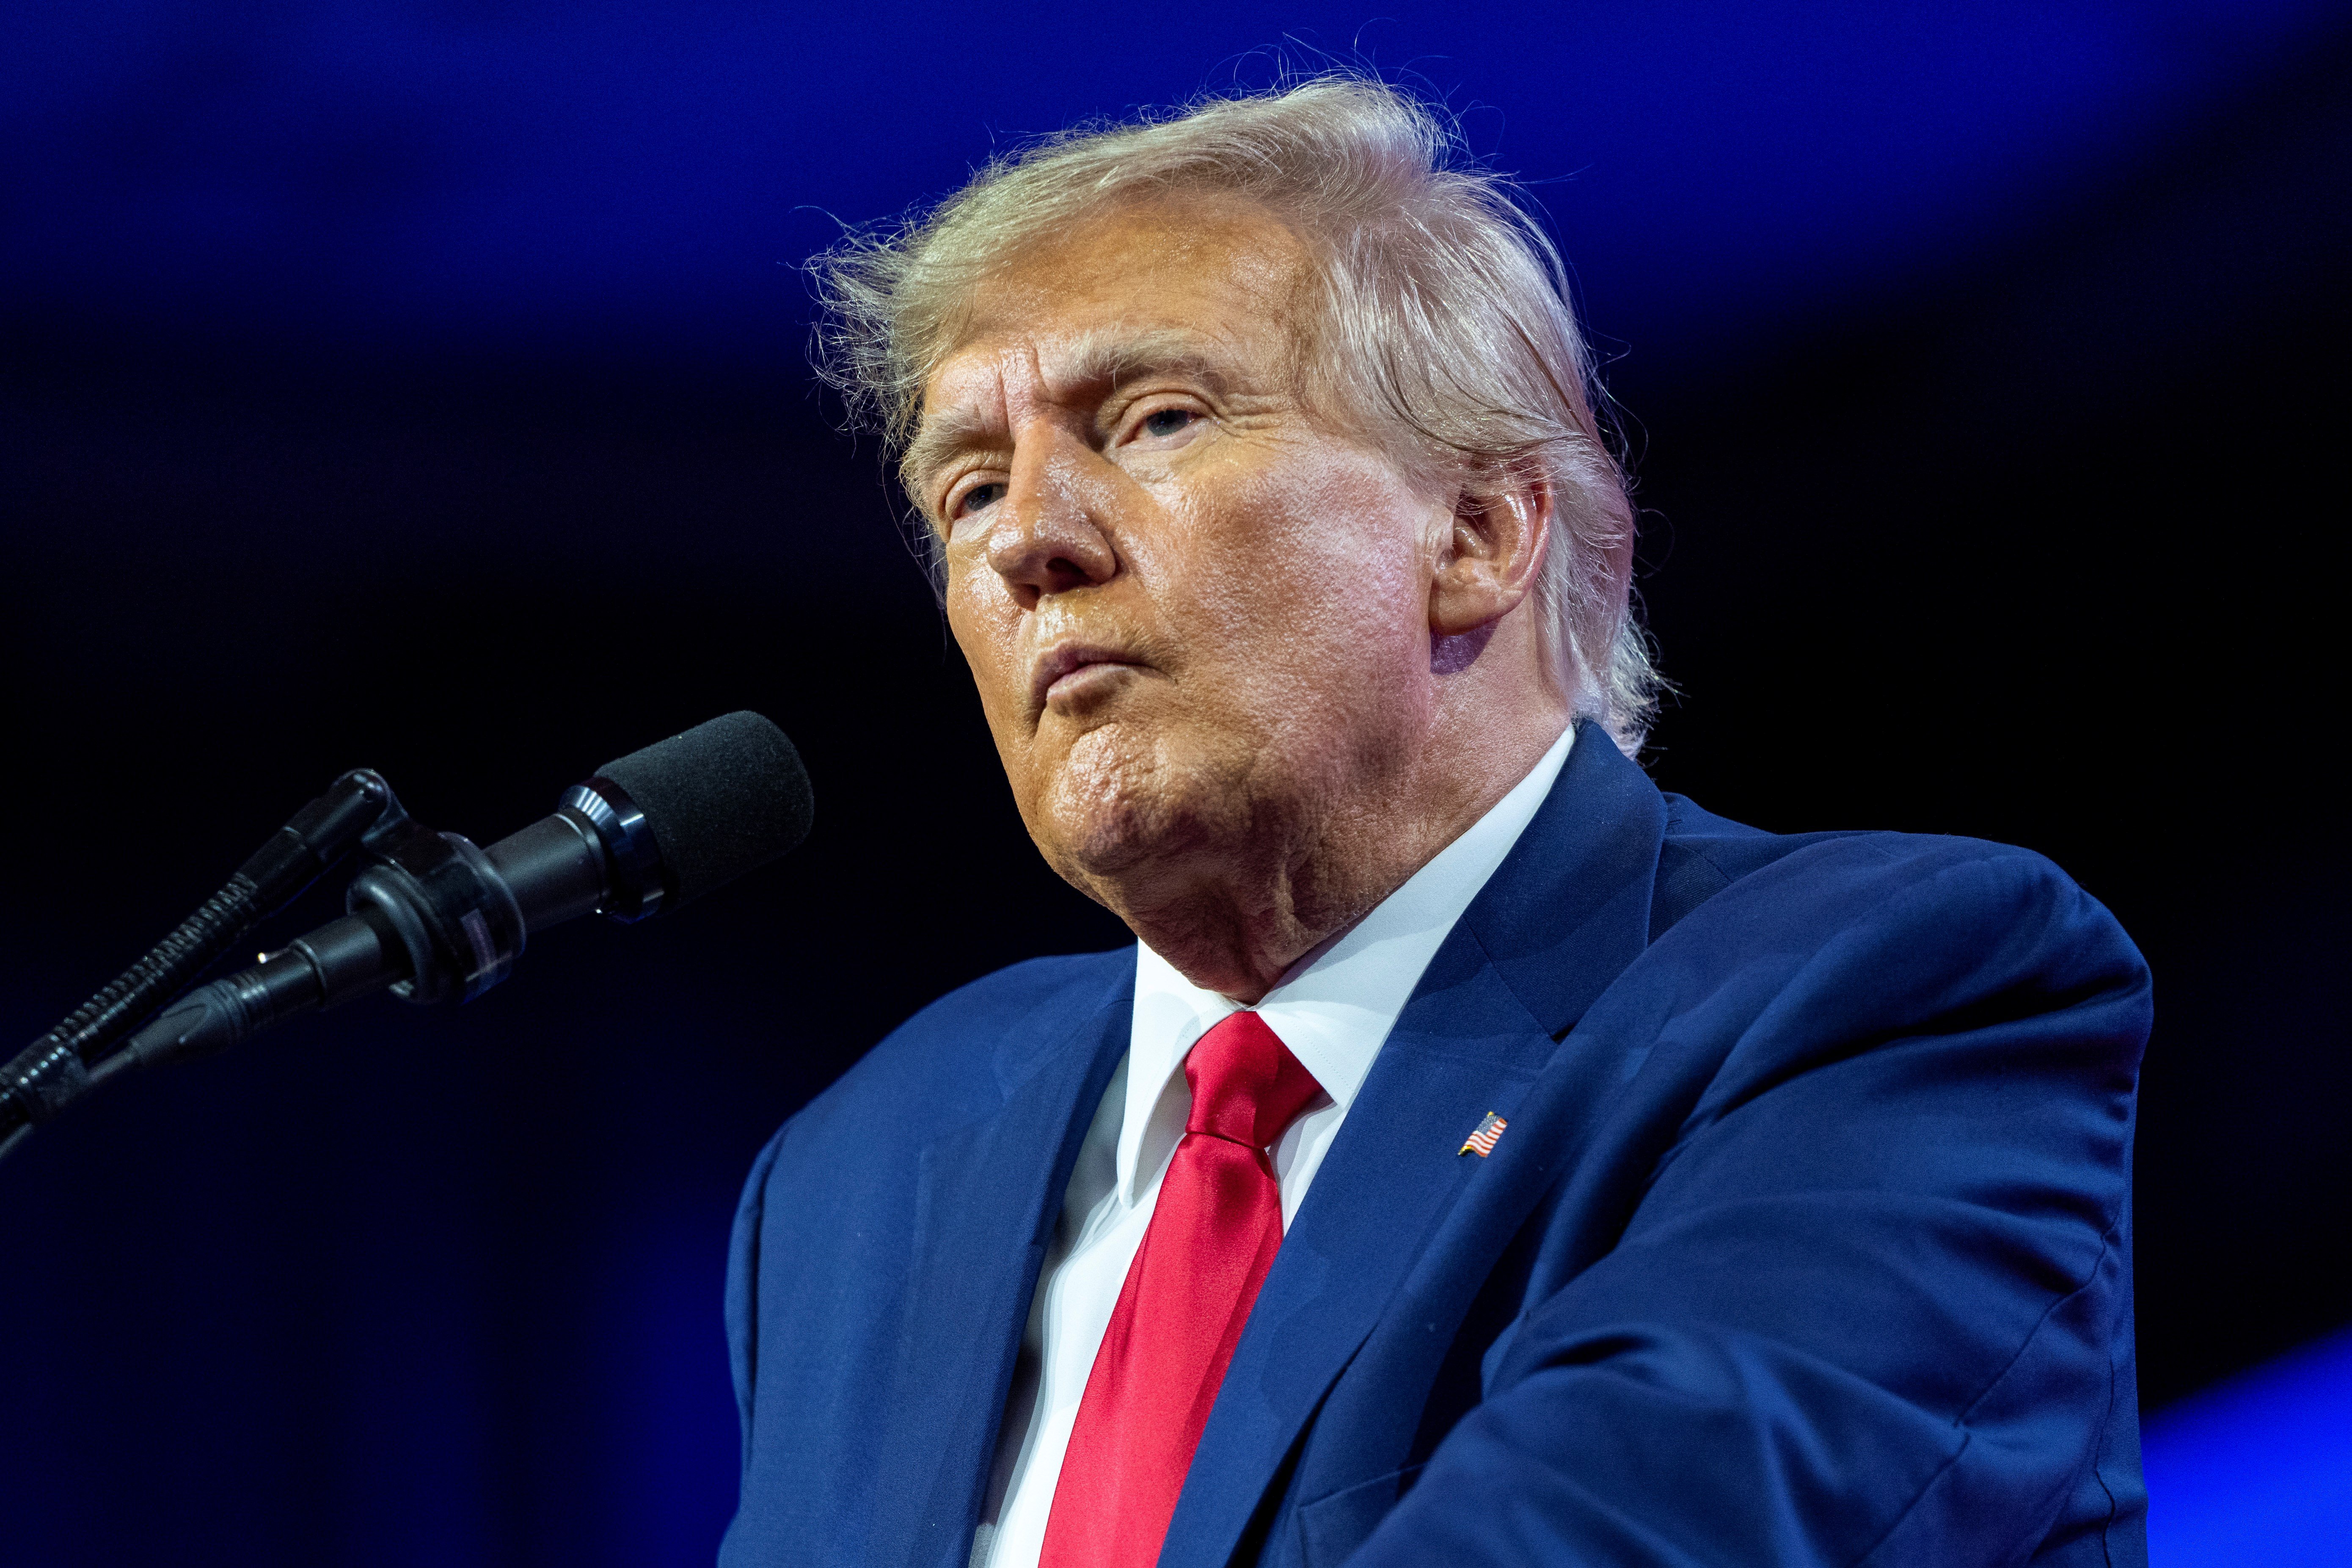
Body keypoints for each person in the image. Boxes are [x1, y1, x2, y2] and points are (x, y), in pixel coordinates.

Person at [719, 77, 2149, 1568]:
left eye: (1154, 418)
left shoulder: (1888, 994)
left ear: (1476, 533)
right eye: (965, 490)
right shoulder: (869, 1164)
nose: (1024, 539)